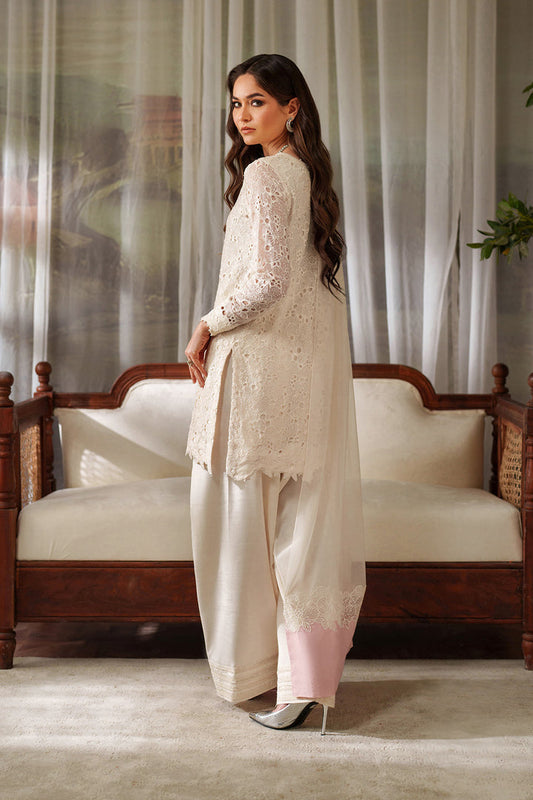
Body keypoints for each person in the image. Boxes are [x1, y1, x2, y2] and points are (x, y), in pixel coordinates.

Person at [185, 53, 365, 735]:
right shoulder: (303, 174)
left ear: (292, 108)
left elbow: (266, 284)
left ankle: (264, 677)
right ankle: (301, 682)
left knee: (241, 528)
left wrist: (207, 324)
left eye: (256, 101)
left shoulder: (266, 176)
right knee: (293, 526)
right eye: (236, 103)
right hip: (294, 377)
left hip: (258, 374)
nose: (242, 115)